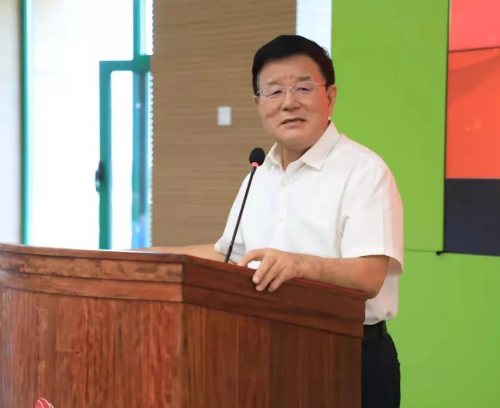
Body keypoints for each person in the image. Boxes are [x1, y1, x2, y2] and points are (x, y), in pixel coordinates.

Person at [145, 34, 403, 408]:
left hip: (345, 354)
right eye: (274, 91)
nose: (289, 102)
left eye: (303, 87)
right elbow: (234, 256)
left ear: (330, 96)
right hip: (264, 349)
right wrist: (156, 256)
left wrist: (299, 265)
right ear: (258, 103)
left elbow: (369, 276)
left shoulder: (363, 171)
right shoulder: (258, 174)